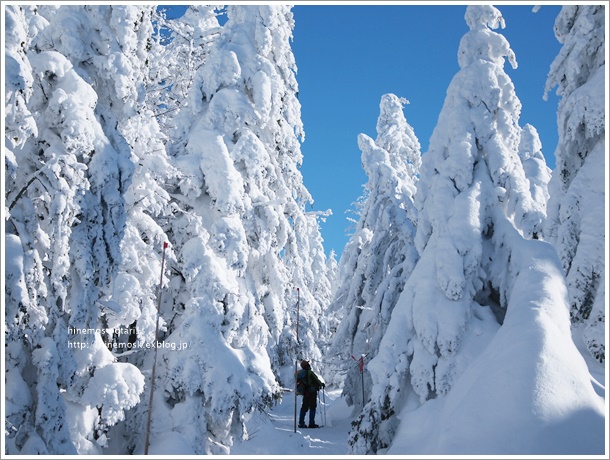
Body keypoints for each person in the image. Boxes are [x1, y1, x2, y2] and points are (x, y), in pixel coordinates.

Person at [296, 359, 325, 428]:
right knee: (312, 407)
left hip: (305, 392)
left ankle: (301, 423)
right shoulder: (309, 372)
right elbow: (317, 381)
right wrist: (322, 384)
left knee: (304, 407)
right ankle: (311, 423)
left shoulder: (301, 373)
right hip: (312, 392)